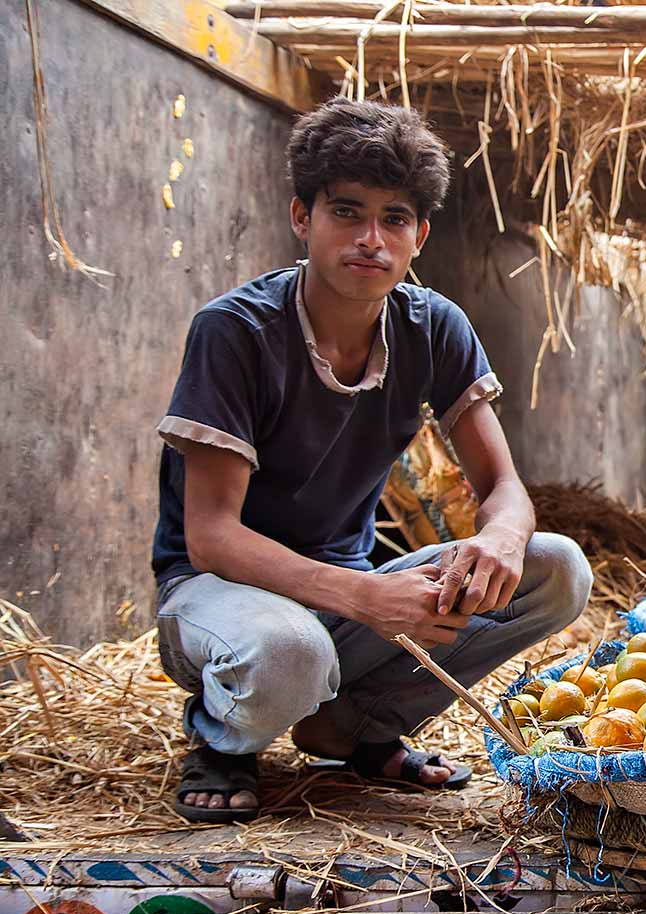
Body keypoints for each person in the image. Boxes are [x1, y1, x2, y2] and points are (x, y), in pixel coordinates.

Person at [152, 99, 592, 824]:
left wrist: (498, 540)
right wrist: (363, 598)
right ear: (302, 217)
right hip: (217, 599)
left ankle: (352, 728)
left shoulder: (433, 326)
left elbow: (504, 486)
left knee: (556, 568)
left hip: (347, 602)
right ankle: (222, 741)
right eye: (346, 212)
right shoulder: (235, 331)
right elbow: (211, 537)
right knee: (290, 650)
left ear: (419, 234)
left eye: (393, 219)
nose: (370, 239)